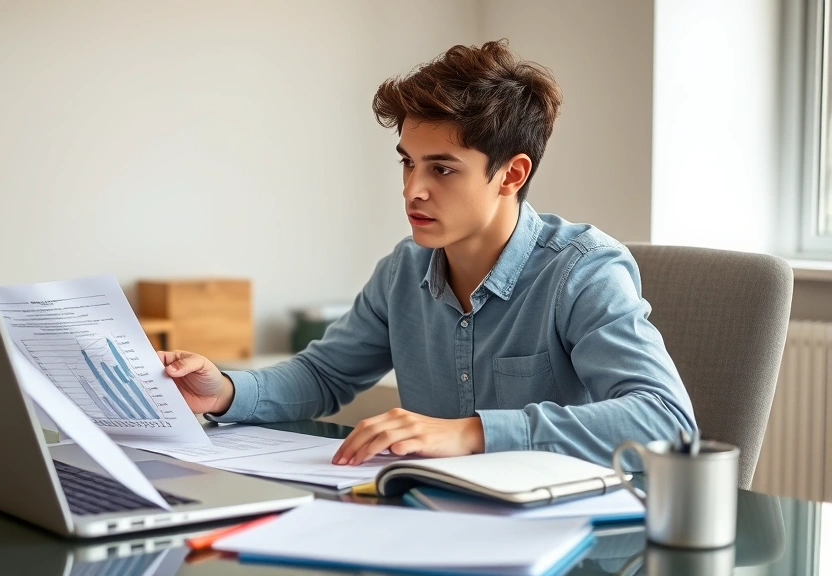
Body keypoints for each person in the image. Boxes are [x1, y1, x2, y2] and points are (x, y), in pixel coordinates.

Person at [156, 40, 697, 469]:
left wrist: (470, 432)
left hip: (566, 536)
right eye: (407, 163)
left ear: (511, 174)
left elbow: (667, 420)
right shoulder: (404, 269)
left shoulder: (583, 270)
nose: (413, 189)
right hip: (432, 515)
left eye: (441, 168)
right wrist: (222, 391)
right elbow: (324, 377)